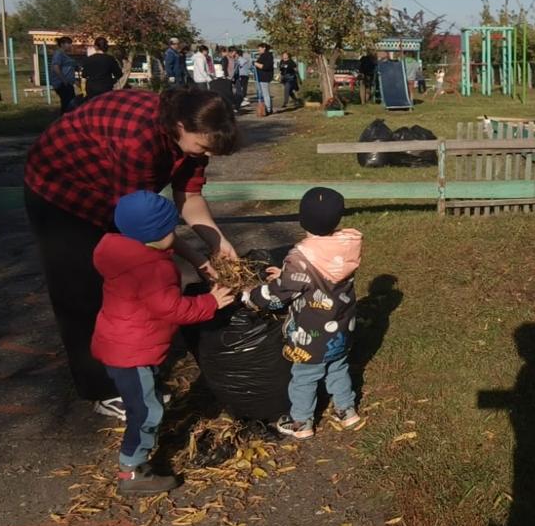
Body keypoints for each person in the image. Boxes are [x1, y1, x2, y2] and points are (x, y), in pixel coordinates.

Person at [24, 87, 242, 418]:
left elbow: (189, 195)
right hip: (60, 191)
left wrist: (216, 241)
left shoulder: (194, 136)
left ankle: (130, 363)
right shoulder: (138, 140)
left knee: (123, 285)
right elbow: (141, 227)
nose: (206, 155)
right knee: (81, 291)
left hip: (114, 196)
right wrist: (196, 258)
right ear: (180, 126)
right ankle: (104, 389)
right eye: (203, 147)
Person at [92, 191, 236, 493]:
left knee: (143, 395)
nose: (174, 234)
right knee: (146, 410)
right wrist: (211, 302)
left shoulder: (116, 249)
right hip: (133, 351)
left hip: (118, 343)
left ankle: (141, 432)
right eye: (171, 229)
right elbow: (173, 309)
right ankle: (132, 470)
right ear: (156, 234)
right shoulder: (154, 270)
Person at [244, 187, 363, 439]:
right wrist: (286, 273)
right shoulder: (345, 247)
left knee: (304, 376)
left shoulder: (301, 257)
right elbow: (317, 278)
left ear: (303, 219)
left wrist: (255, 296)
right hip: (342, 328)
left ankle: (301, 422)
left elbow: (282, 292)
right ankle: (346, 410)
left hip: (312, 334)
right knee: (338, 367)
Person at [81, 36, 122, 100]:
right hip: (106, 88)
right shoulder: (110, 59)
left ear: (95, 47)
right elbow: (119, 74)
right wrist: (113, 81)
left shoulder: (88, 59)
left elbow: (84, 75)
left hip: (91, 88)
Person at [50, 36, 79, 113]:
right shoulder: (58, 54)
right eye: (68, 43)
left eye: (71, 44)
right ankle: (64, 118)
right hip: (62, 83)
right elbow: (56, 67)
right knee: (68, 104)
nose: (70, 45)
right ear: (62, 44)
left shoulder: (65, 55)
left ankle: (66, 117)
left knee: (70, 103)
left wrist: (74, 80)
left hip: (68, 83)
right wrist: (64, 80)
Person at [254, 41, 276, 113]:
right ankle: (268, 108)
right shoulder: (263, 55)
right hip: (261, 77)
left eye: (259, 48)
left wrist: (256, 64)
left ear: (264, 48)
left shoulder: (268, 56)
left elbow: (266, 67)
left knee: (265, 93)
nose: (258, 50)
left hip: (264, 77)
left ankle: (268, 109)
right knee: (263, 93)